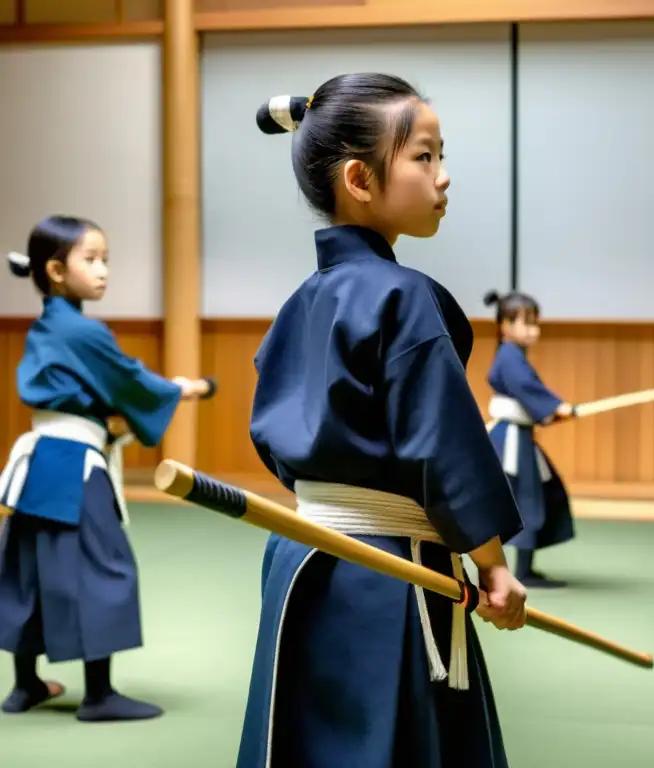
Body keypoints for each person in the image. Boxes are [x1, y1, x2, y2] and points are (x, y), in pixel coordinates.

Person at [238, 75, 528, 768]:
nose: (444, 176)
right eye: (424, 157)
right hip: (388, 570)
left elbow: (277, 436)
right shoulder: (406, 299)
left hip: (300, 557)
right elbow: (445, 443)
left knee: (308, 739)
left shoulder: (301, 303)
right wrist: (492, 564)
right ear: (360, 178)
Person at [0, 215, 213, 721]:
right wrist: (183, 389)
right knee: (103, 568)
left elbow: (95, 393)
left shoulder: (49, 326)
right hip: (74, 466)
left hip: (37, 465)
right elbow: (129, 380)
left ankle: (25, 684)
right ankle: (98, 695)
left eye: (105, 260)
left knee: (27, 571)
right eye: (90, 259)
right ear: (54, 270)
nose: (103, 271)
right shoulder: (84, 331)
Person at [483, 289, 575, 588]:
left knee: (540, 493)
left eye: (536, 323)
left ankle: (526, 567)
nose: (534, 330)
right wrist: (555, 408)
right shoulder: (509, 357)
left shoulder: (513, 356)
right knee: (525, 498)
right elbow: (525, 388)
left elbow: (529, 394)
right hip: (511, 440)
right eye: (526, 322)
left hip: (520, 437)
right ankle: (520, 570)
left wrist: (551, 413)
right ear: (505, 326)